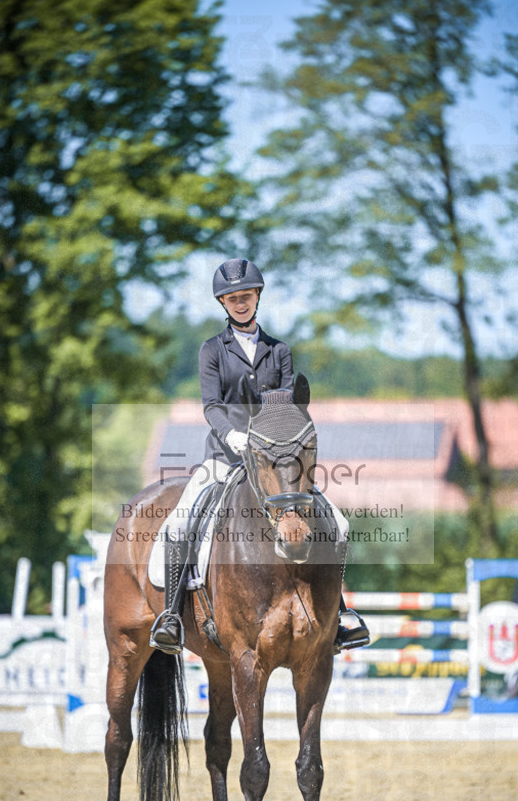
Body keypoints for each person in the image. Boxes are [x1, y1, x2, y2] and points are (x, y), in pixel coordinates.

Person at [150, 258, 370, 655]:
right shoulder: (212, 350)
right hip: (225, 455)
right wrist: (232, 435)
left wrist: (276, 444)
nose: (240, 303)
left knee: (337, 523)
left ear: (257, 297)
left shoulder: (278, 350)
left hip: (275, 461)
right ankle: (171, 617)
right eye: (232, 298)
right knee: (179, 524)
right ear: (223, 303)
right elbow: (211, 405)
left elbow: (286, 406)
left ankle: (339, 615)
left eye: (246, 296)